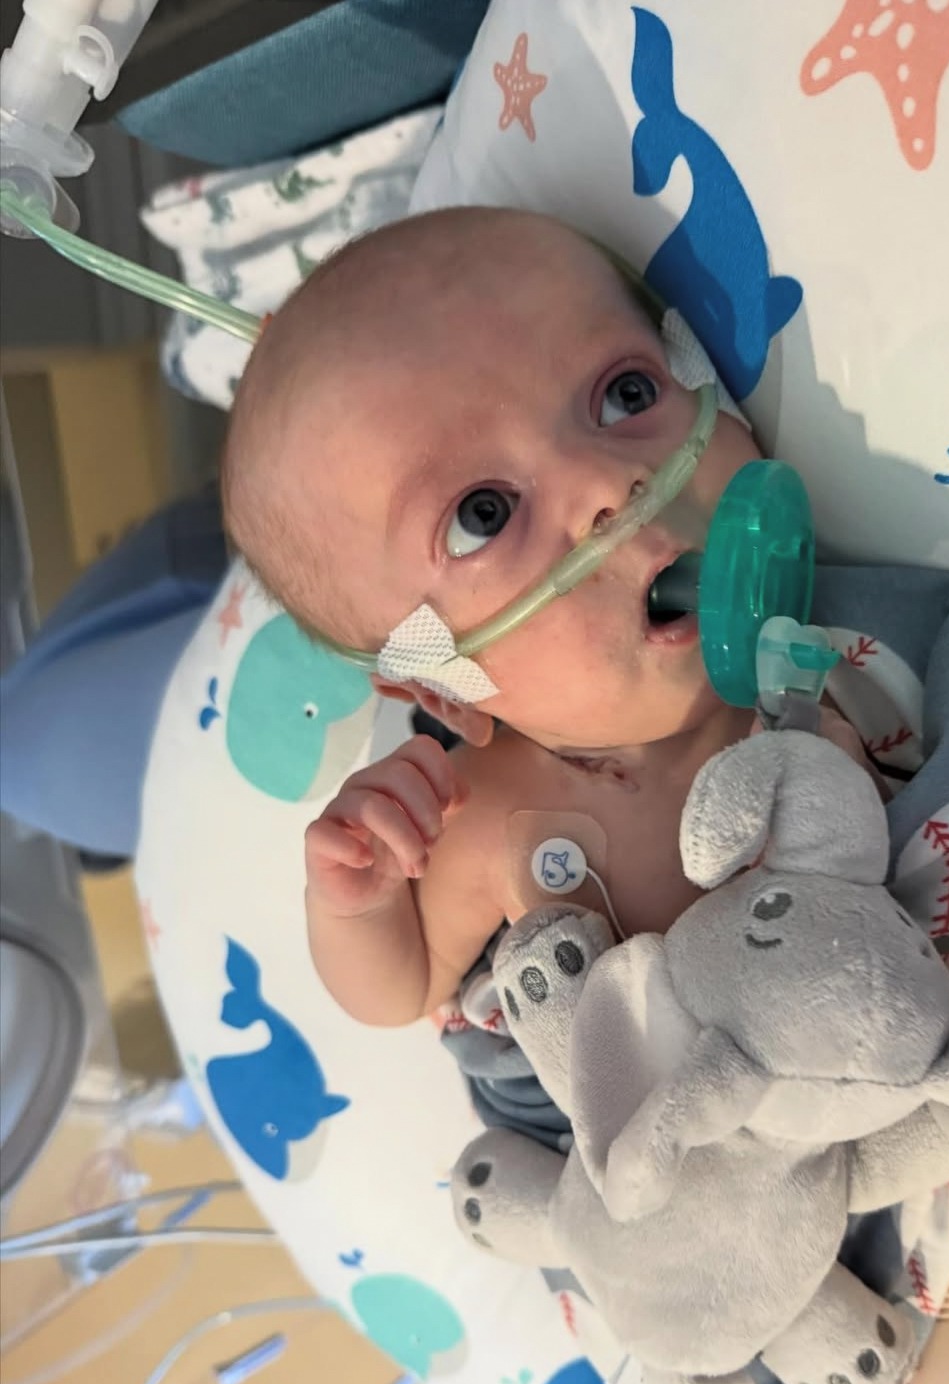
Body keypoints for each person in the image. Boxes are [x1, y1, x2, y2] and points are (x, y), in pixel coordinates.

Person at [222, 205, 877, 1027]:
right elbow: (403, 988)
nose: (609, 486)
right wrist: (360, 899)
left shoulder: (841, 650)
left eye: (626, 394)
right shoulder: (491, 811)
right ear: (443, 690)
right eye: (484, 515)